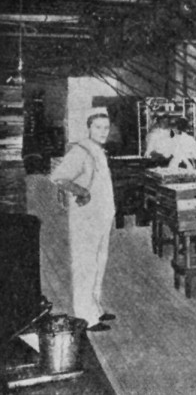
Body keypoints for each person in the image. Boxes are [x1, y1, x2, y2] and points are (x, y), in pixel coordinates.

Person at [50, 107, 117, 332]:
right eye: (98, 127)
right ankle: (85, 317)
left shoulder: (98, 150)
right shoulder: (81, 150)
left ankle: (95, 308)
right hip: (86, 219)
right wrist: (82, 191)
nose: (103, 131)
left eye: (106, 127)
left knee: (98, 263)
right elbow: (59, 177)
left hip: (101, 217)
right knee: (85, 265)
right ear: (89, 128)